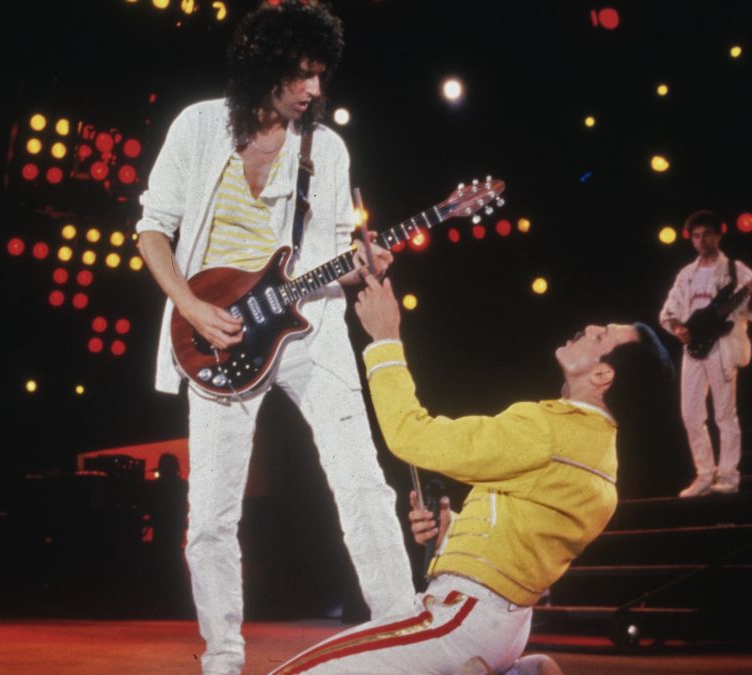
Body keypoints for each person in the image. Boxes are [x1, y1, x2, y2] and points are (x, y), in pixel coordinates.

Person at [134, 2, 413, 672]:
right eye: (301, 73)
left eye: (321, 74)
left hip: (309, 327)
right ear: (264, 66)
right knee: (210, 514)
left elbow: (334, 253)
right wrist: (191, 307)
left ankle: (403, 633)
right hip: (219, 333)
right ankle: (223, 655)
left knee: (362, 481)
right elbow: (152, 230)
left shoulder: (327, 148)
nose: (314, 88)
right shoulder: (198, 126)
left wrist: (363, 264)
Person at [270, 272, 673, 674]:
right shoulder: (601, 460)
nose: (590, 328)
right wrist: (451, 530)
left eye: (602, 336)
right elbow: (521, 539)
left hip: (463, 619)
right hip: (504, 627)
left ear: (602, 376)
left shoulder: (551, 431)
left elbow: (411, 435)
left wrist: (385, 338)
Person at [660, 209, 752, 497]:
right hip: (694, 347)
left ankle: (729, 476)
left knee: (724, 414)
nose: (702, 240)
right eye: (696, 236)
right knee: (690, 414)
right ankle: (704, 474)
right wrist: (678, 328)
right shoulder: (686, 274)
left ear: (718, 235)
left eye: (707, 234)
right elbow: (669, 311)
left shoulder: (735, 269)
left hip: (722, 347)